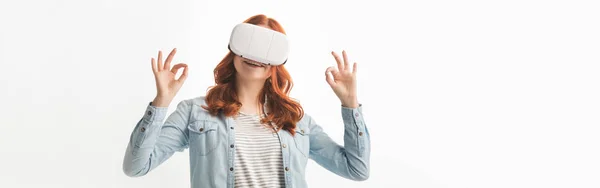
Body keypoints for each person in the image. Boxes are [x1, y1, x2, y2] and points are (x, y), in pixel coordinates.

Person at [122, 14, 370, 188]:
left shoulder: (297, 121)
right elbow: (136, 166)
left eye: (267, 50)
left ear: (277, 63)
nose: (255, 56)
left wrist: (351, 104)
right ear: (234, 51)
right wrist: (161, 102)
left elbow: (357, 170)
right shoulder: (194, 112)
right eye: (250, 45)